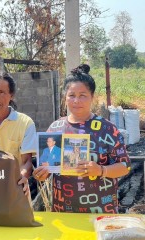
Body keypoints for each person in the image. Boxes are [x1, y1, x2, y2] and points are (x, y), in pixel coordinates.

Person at [33, 64, 130, 214]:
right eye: (71, 95)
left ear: (92, 97)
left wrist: (100, 170)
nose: (76, 101)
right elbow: (47, 167)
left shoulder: (107, 129)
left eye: (82, 95)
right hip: (63, 210)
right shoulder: (55, 128)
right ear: (65, 97)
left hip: (100, 210)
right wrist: (42, 173)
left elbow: (124, 166)